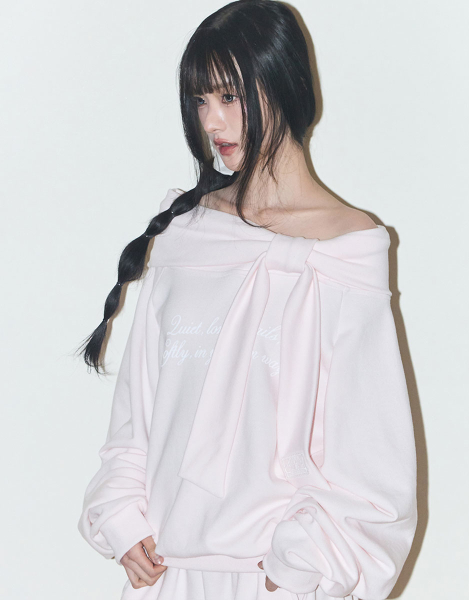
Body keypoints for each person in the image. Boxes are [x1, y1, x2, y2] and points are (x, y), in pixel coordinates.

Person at [76, 1, 418, 599]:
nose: (211, 121)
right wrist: (123, 517)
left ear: (283, 83)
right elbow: (139, 408)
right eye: (199, 100)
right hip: (166, 578)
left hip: (273, 583)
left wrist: (298, 570)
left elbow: (372, 457)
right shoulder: (187, 233)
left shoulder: (344, 249)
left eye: (229, 96)